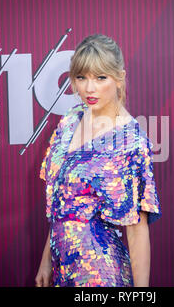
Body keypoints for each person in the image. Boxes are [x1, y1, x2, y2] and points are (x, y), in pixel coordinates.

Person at [35, 34, 161, 287]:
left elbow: (137, 230)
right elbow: (64, 203)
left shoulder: (129, 141)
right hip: (63, 268)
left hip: (100, 274)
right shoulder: (71, 120)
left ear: (119, 78)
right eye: (81, 77)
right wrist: (46, 260)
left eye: (100, 78)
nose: (89, 89)